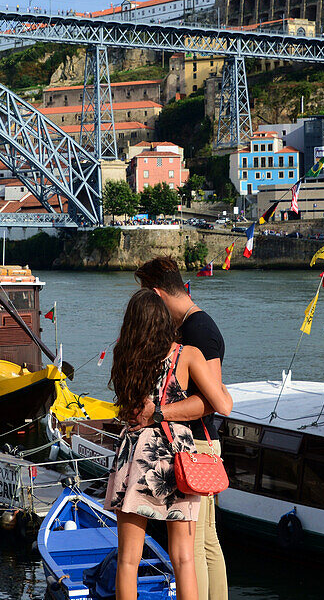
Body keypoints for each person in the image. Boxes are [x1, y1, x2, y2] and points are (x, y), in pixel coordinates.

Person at [106, 289, 233, 600]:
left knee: (127, 559)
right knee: (184, 558)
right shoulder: (186, 355)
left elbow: (126, 408)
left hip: (135, 453)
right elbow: (221, 403)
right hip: (176, 455)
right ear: (164, 319)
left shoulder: (123, 355)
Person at [134, 256, 229, 600]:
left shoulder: (197, 330)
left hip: (199, 445)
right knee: (205, 542)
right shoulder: (192, 326)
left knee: (193, 546)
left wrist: (159, 413)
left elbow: (214, 399)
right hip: (200, 444)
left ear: (157, 295)